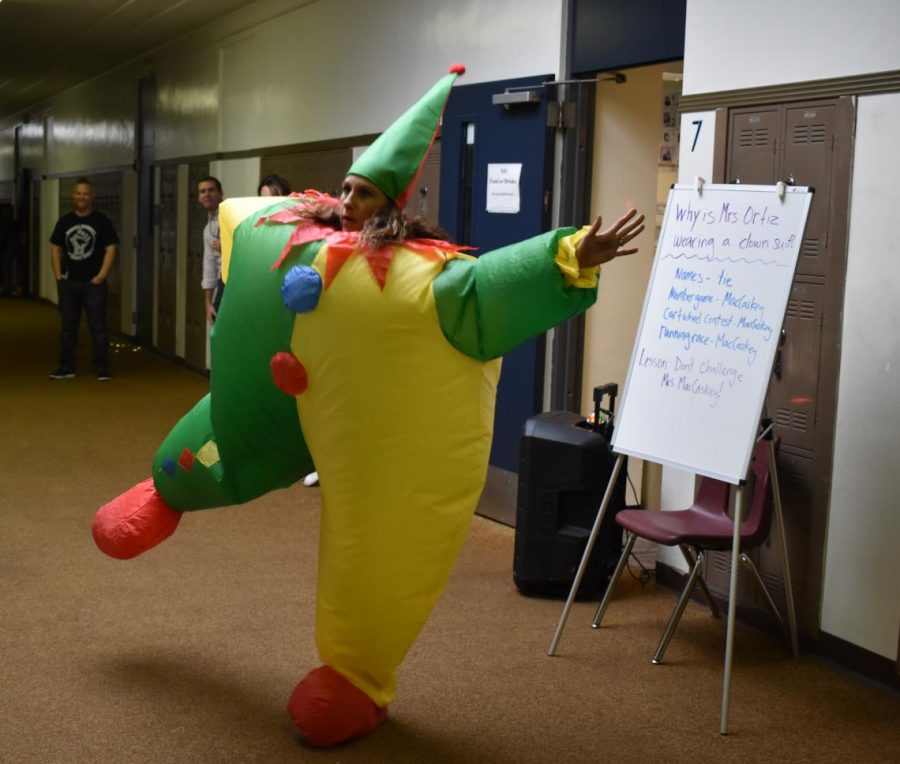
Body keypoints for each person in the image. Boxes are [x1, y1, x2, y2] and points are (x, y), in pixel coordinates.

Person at [92, 65, 644, 748]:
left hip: (370, 433)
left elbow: (490, 288)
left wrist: (568, 257)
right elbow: (240, 215)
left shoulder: (423, 283)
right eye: (346, 188)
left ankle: (355, 676)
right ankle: (167, 488)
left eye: (363, 193)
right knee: (216, 442)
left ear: (390, 206)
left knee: (375, 546)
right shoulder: (287, 229)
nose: (348, 201)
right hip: (271, 401)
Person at [49, 178, 118, 380]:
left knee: (98, 326)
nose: (82, 197)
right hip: (69, 283)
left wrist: (101, 276)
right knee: (68, 327)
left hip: (93, 284)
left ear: (91, 196)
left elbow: (111, 248)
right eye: (79, 193)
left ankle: (102, 368)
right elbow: (55, 248)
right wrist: (57, 275)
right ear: (73, 195)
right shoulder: (65, 222)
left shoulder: (101, 221)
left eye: (86, 193)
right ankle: (67, 367)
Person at [197, 176, 224, 324]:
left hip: (235, 281)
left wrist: (226, 247)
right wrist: (208, 303)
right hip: (222, 282)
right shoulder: (208, 229)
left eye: (211, 190)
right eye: (202, 191)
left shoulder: (232, 217)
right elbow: (209, 267)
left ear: (220, 193)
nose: (206, 194)